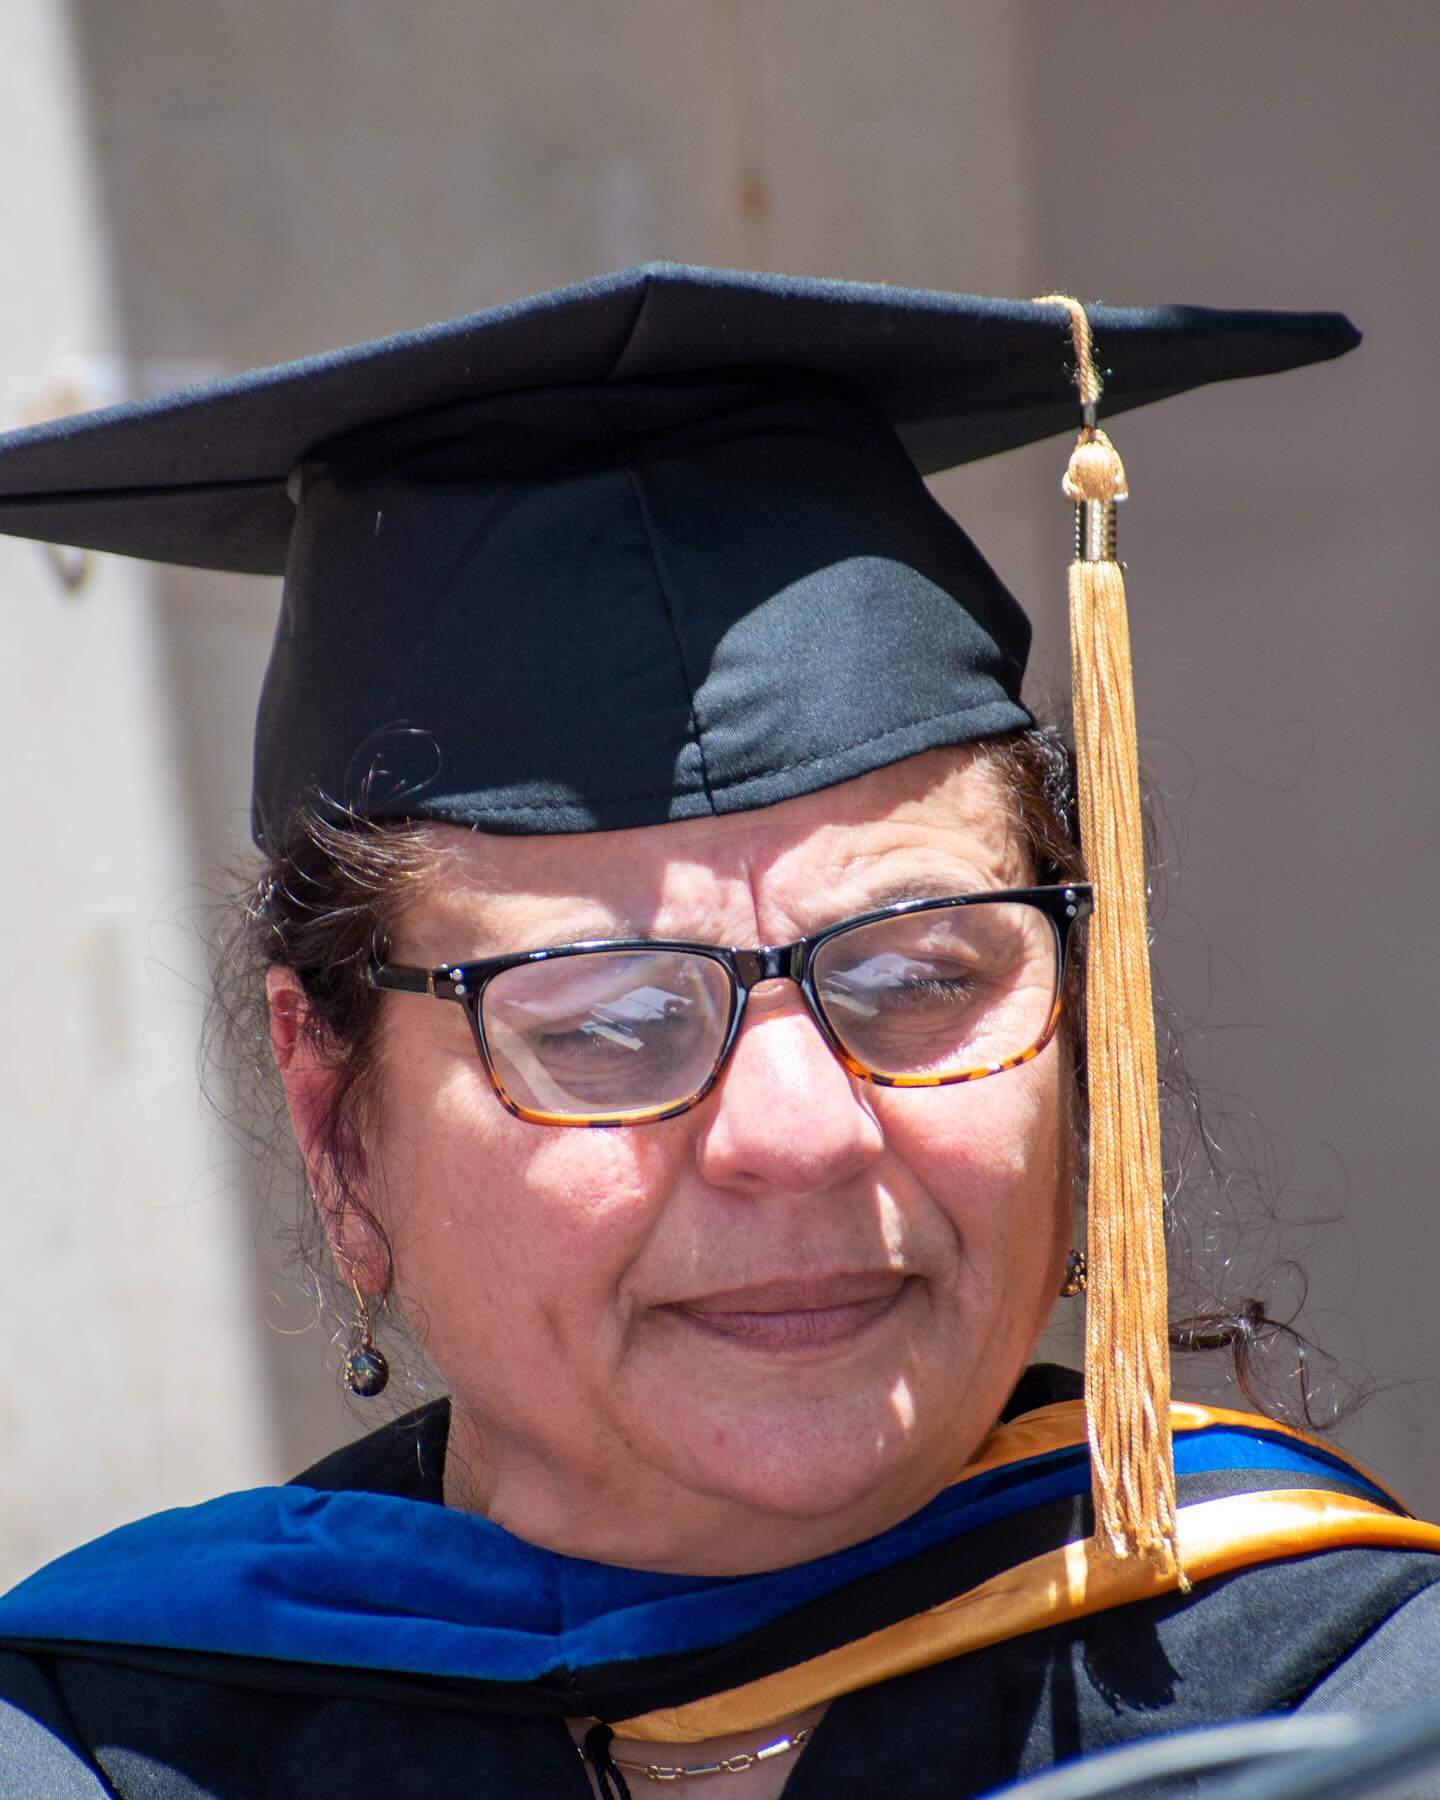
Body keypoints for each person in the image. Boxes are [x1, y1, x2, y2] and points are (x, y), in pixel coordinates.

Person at [0, 264, 1437, 1800]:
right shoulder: (100, 1748)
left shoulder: (1361, 1717)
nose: (800, 1131)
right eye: (611, 1021)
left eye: (917, 979)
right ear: (338, 1127)